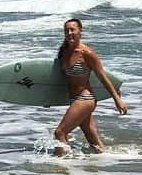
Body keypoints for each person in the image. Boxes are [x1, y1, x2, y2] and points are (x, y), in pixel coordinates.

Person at [53, 18, 127, 154]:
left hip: (85, 99)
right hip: (74, 100)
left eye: (72, 30)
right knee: (93, 141)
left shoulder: (87, 53)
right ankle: (105, 163)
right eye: (66, 30)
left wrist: (117, 99)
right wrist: (46, 99)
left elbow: (103, 77)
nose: (69, 33)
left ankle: (61, 168)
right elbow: (62, 80)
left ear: (80, 31)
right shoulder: (64, 52)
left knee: (59, 133)